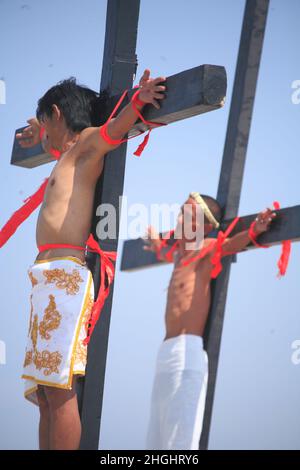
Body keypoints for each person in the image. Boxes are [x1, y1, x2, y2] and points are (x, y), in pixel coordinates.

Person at [13, 69, 166, 450]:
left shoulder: (85, 145)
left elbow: (113, 131)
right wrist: (37, 130)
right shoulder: (64, 155)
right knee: (46, 394)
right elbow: (51, 143)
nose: (44, 133)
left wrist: (138, 100)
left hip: (65, 277)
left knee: (61, 388)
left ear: (57, 113)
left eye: (45, 123)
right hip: (45, 277)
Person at [143, 192, 276, 450]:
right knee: (155, 442)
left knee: (180, 444)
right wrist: (157, 242)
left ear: (202, 226)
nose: (179, 217)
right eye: (180, 211)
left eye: (186, 213)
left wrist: (255, 230)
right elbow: (165, 253)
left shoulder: (205, 249)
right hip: (165, 353)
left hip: (186, 353)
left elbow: (229, 245)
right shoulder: (181, 255)